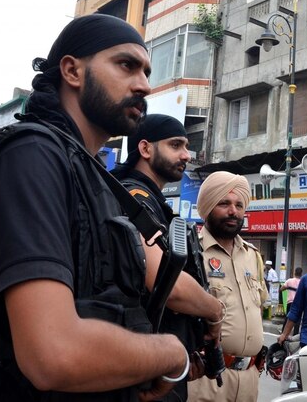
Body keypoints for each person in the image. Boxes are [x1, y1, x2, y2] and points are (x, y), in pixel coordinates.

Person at [0, 14, 189, 401]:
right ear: (72, 71)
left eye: (146, 71)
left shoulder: (94, 174)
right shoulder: (32, 154)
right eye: (126, 65)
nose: (144, 85)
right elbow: (52, 353)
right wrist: (169, 352)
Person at [112, 113, 225, 401]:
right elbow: (166, 282)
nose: (186, 155)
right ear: (146, 148)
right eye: (175, 145)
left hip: (158, 363)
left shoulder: (152, 202)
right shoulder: (133, 197)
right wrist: (214, 311)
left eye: (186, 146)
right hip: (139, 367)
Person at [187, 171, 268, 402]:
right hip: (207, 379)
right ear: (208, 207)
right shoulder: (193, 252)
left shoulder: (252, 256)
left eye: (239, 204)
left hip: (249, 379)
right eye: (224, 203)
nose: (233, 211)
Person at [280, 266, 303, 335]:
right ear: (301, 274)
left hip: (290, 302)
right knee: (298, 319)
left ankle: (283, 332)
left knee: (288, 317)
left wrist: (288, 288)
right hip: (299, 303)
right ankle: (295, 334)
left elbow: (281, 289)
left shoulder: (289, 281)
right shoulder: (302, 282)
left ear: (294, 272)